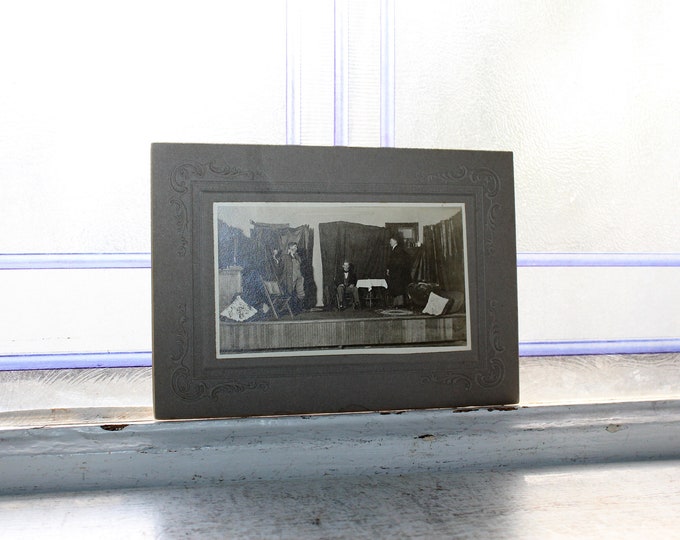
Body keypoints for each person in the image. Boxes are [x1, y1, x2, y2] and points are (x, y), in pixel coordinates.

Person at [385, 236, 411, 307]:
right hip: (396, 272)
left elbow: (397, 262)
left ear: (395, 241)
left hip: (397, 273)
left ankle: (399, 304)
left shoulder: (398, 250)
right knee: (396, 288)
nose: (390, 242)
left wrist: (391, 269)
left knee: (398, 288)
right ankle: (396, 303)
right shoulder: (396, 249)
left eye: (391, 241)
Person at [282, 241, 305, 311]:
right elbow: (282, 268)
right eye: (294, 246)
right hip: (291, 277)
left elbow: (300, 263)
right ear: (290, 247)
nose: (296, 248)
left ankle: (300, 308)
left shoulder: (297, 256)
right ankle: (290, 309)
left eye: (296, 247)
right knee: (290, 292)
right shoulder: (285, 256)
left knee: (301, 292)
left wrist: (295, 255)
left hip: (299, 276)